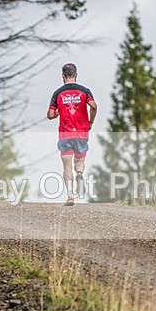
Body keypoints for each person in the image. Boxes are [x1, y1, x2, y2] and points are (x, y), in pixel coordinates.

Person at [47, 63, 98, 206]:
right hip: (82, 132)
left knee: (67, 166)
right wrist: (90, 121)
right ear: (76, 75)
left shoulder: (57, 93)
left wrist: (59, 111)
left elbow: (50, 115)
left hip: (65, 134)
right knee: (79, 162)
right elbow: (93, 106)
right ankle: (80, 174)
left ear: (63, 77)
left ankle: (70, 196)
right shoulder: (85, 91)